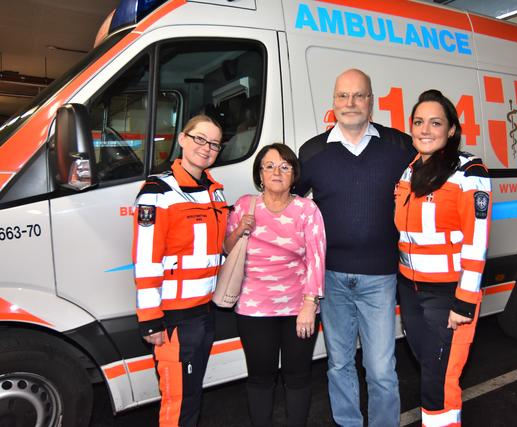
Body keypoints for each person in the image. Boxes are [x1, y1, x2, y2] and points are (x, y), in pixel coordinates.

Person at [295, 68, 415, 427]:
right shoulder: (312, 152)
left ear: (371, 103)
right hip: (330, 279)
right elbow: (291, 206)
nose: (351, 103)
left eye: (359, 95)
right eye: (343, 96)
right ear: (333, 103)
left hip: (380, 277)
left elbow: (431, 185)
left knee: (380, 369)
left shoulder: (400, 147)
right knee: (339, 364)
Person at [394, 90, 492, 427]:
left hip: (449, 294)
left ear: (451, 130)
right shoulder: (409, 171)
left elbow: (477, 242)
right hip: (411, 290)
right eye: (419, 122)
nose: (425, 129)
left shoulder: (469, 172)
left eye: (435, 122)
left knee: (438, 381)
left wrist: (464, 302)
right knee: (432, 369)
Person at [132, 115, 227, 427]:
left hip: (204, 313)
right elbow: (146, 258)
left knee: (192, 394)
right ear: (183, 139)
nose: (207, 148)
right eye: (200, 139)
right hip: (174, 318)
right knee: (178, 402)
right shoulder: (158, 192)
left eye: (214, 143)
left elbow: (215, 252)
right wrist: (150, 320)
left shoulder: (215, 192)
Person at [225, 143, 326, 427]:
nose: (276, 172)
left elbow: (317, 259)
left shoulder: (307, 210)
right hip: (253, 311)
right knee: (260, 378)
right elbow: (226, 249)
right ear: (260, 173)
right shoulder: (245, 205)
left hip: (298, 309)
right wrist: (239, 230)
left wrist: (310, 305)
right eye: (269, 166)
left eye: (284, 166)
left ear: (294, 174)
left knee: (297, 377)